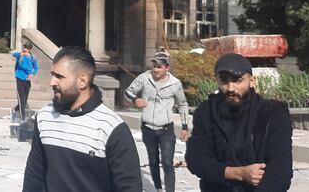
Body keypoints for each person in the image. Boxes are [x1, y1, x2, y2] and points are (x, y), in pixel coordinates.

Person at [23, 46, 142, 191]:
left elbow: (128, 186)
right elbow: (34, 176)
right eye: (52, 75)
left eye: (59, 76)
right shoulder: (44, 117)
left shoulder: (111, 127)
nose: (52, 82)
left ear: (82, 81)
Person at [186, 53, 292, 191]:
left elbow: (280, 169)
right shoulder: (206, 112)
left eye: (238, 80)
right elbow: (196, 160)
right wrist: (239, 173)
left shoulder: (273, 113)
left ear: (252, 81)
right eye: (224, 80)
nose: (230, 88)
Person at [124, 51, 189, 192]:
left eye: (159, 67)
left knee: (167, 162)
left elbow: (182, 104)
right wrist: (136, 99)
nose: (155, 70)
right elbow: (128, 92)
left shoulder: (175, 84)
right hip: (148, 128)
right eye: (154, 66)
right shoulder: (144, 78)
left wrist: (185, 127)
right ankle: (158, 188)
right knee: (153, 161)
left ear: (167, 68)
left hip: (166, 129)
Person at [12, 41, 39, 122]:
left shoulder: (32, 57)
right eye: (24, 47)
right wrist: (22, 54)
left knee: (25, 99)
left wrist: (33, 74)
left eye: (27, 48)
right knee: (21, 99)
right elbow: (14, 54)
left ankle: (15, 109)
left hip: (27, 80)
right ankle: (22, 118)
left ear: (30, 49)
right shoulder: (20, 55)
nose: (25, 49)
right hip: (20, 78)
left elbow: (36, 67)